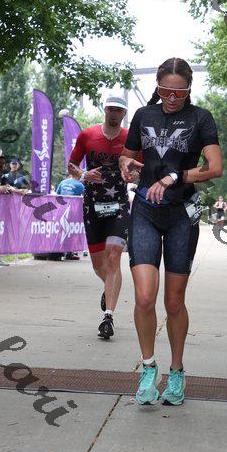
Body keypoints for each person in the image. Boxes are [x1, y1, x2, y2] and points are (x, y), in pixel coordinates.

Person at [119, 57, 222, 406]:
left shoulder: (200, 118)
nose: (173, 97)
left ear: (189, 89)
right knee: (144, 298)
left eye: (180, 92)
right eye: (166, 91)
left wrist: (175, 176)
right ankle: (149, 368)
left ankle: (176, 371)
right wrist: (127, 166)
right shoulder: (143, 115)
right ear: (158, 87)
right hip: (145, 211)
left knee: (174, 302)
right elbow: (127, 156)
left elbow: (215, 168)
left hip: (181, 214)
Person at [68, 94, 133, 340]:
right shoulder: (87, 135)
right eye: (111, 109)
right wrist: (84, 175)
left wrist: (135, 175)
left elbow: (140, 167)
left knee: (114, 256)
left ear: (124, 114)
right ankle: (110, 287)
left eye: (119, 110)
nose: (114, 113)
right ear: (104, 110)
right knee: (99, 265)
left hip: (119, 204)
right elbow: (72, 166)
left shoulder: (130, 138)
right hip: (92, 205)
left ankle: (108, 317)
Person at [56, 167, 85, 260]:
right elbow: (86, 196)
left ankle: (59, 251)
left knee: (61, 230)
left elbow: (56, 196)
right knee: (71, 230)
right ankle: (69, 253)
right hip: (73, 211)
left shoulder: (62, 182)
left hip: (61, 209)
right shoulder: (79, 185)